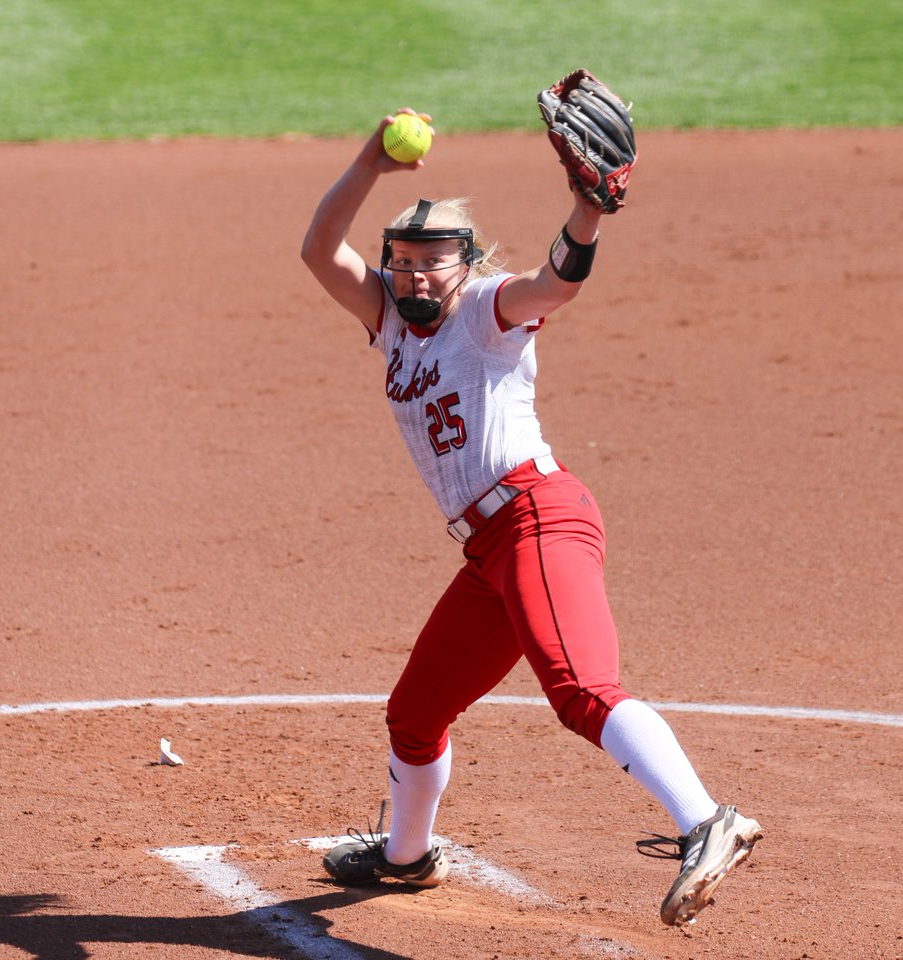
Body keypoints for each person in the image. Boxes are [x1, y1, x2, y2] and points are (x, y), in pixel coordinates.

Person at [300, 100, 762, 927]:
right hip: (489, 551)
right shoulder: (390, 329)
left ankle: (706, 822)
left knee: (581, 690)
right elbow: (316, 250)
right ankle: (407, 858)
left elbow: (558, 282)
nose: (413, 277)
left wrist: (589, 210)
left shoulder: (488, 312)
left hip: (539, 519)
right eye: (400, 263)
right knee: (415, 712)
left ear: (465, 266)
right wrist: (371, 160)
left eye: (430, 264)